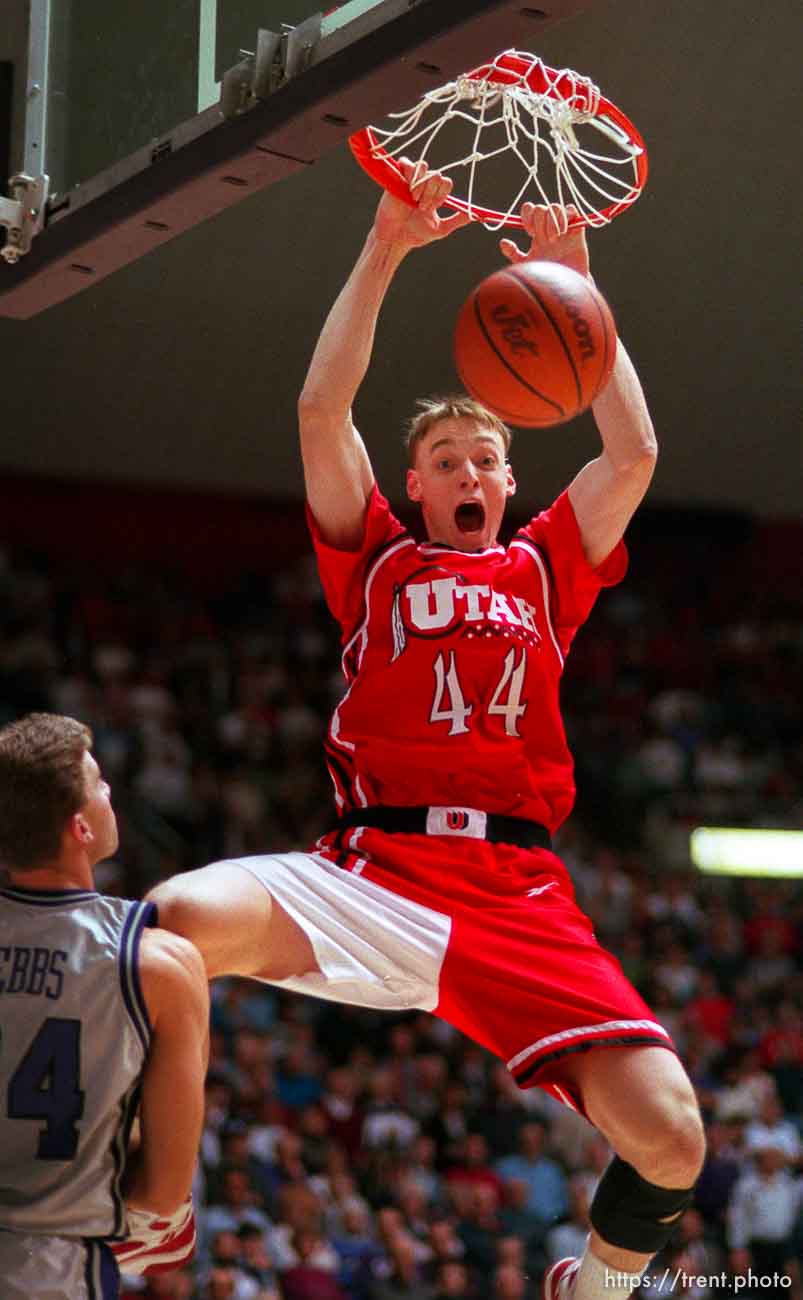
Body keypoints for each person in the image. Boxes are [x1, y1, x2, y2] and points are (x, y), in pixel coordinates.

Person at [148, 162, 706, 1298]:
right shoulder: (379, 555)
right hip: (375, 870)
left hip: (512, 891)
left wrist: (581, 299)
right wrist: (386, 246)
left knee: (672, 1138)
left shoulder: (546, 565)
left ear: (508, 482)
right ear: (415, 480)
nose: (466, 472)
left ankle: (592, 1285)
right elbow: (319, 409)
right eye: (446, 460)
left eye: (485, 461)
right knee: (164, 925)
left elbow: (634, 454)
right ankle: (154, 1201)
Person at [0, 712, 209, 1298]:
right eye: (98, 783)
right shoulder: (160, 964)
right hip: (54, 1269)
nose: (109, 790)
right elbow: (164, 1193)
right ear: (80, 829)